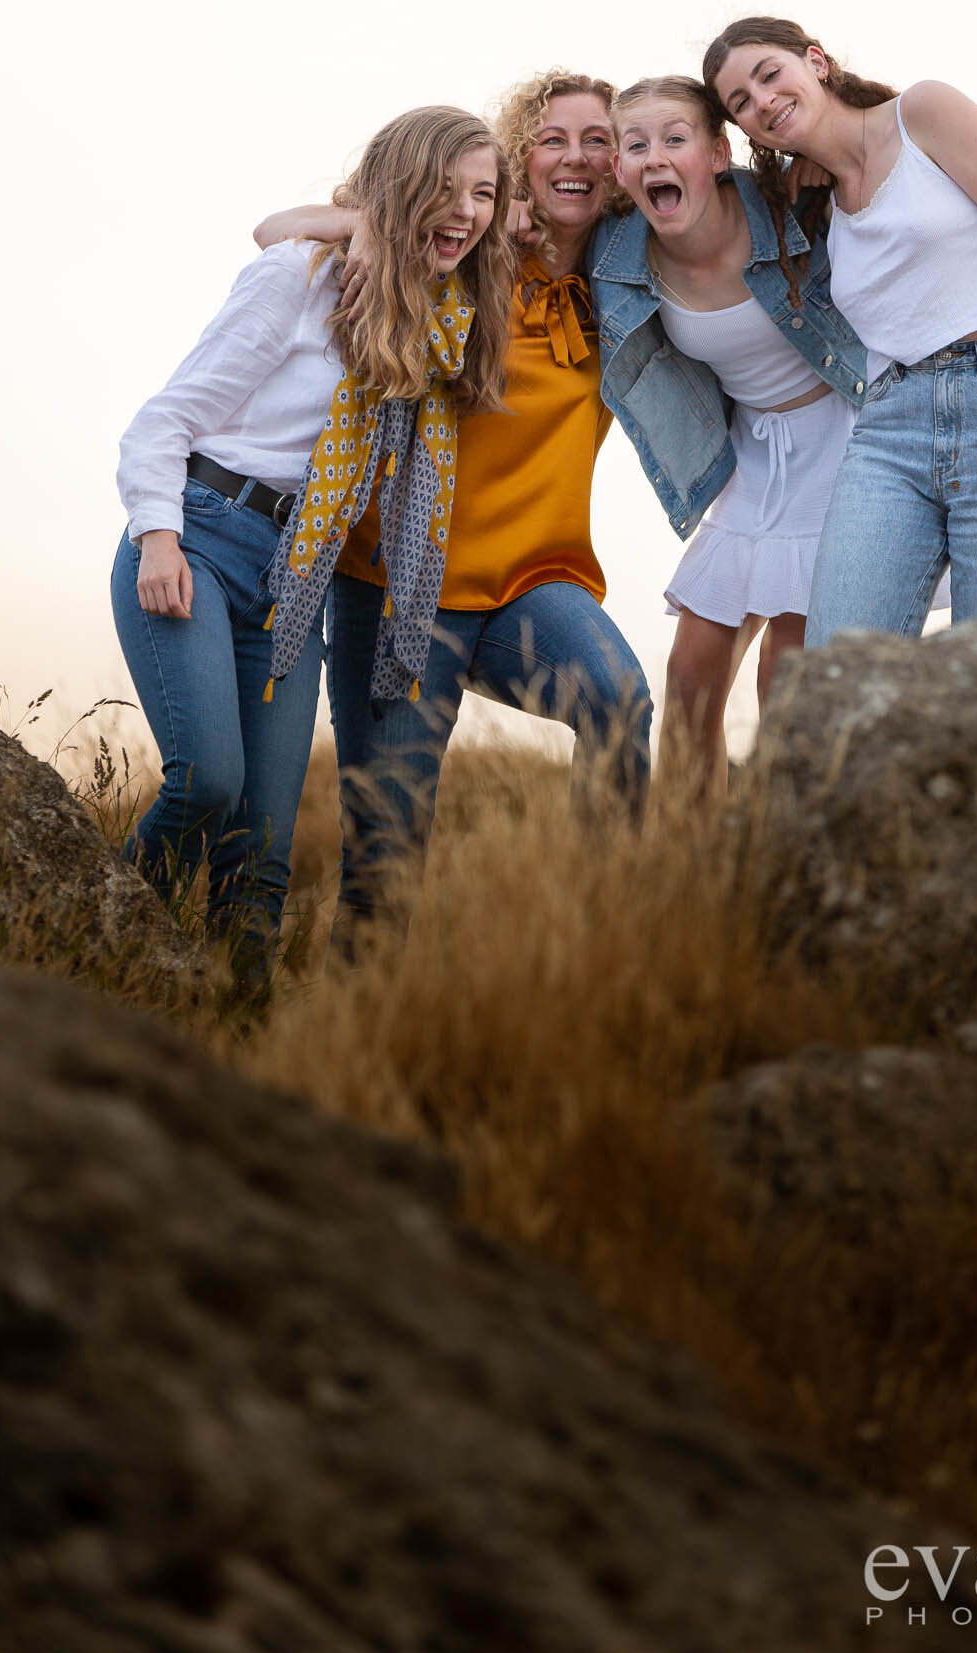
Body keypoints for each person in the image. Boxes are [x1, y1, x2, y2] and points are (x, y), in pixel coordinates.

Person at [113, 105, 511, 979]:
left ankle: (233, 1023)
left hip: (296, 578)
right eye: (447, 188)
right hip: (202, 542)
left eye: (484, 194)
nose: (469, 210)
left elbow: (550, 222)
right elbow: (164, 421)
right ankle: (97, 939)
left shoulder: (431, 321)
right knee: (206, 785)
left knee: (261, 852)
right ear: (400, 186)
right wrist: (158, 540)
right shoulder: (298, 278)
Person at [255, 71, 652, 946]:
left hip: (533, 586)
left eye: (599, 140)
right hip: (397, 583)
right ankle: (364, 1017)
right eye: (554, 139)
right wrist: (371, 226)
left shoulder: (628, 290)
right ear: (518, 159)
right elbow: (277, 232)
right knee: (387, 854)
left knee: (619, 702)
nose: (578, 156)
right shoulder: (461, 254)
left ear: (622, 165)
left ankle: (606, 933)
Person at [704, 17, 977, 645]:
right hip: (887, 426)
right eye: (740, 102)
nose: (763, 101)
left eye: (769, 74)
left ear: (817, 62)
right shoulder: (815, 196)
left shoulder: (924, 112)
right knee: (837, 664)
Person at [591, 75, 865, 793]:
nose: (655, 158)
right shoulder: (616, 257)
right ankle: (695, 861)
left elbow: (879, 156)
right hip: (750, 460)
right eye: (635, 145)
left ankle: (785, 844)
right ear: (619, 169)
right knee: (688, 684)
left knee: (788, 670)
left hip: (842, 440)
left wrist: (826, 158)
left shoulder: (787, 208)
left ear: (715, 153)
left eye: (674, 139)